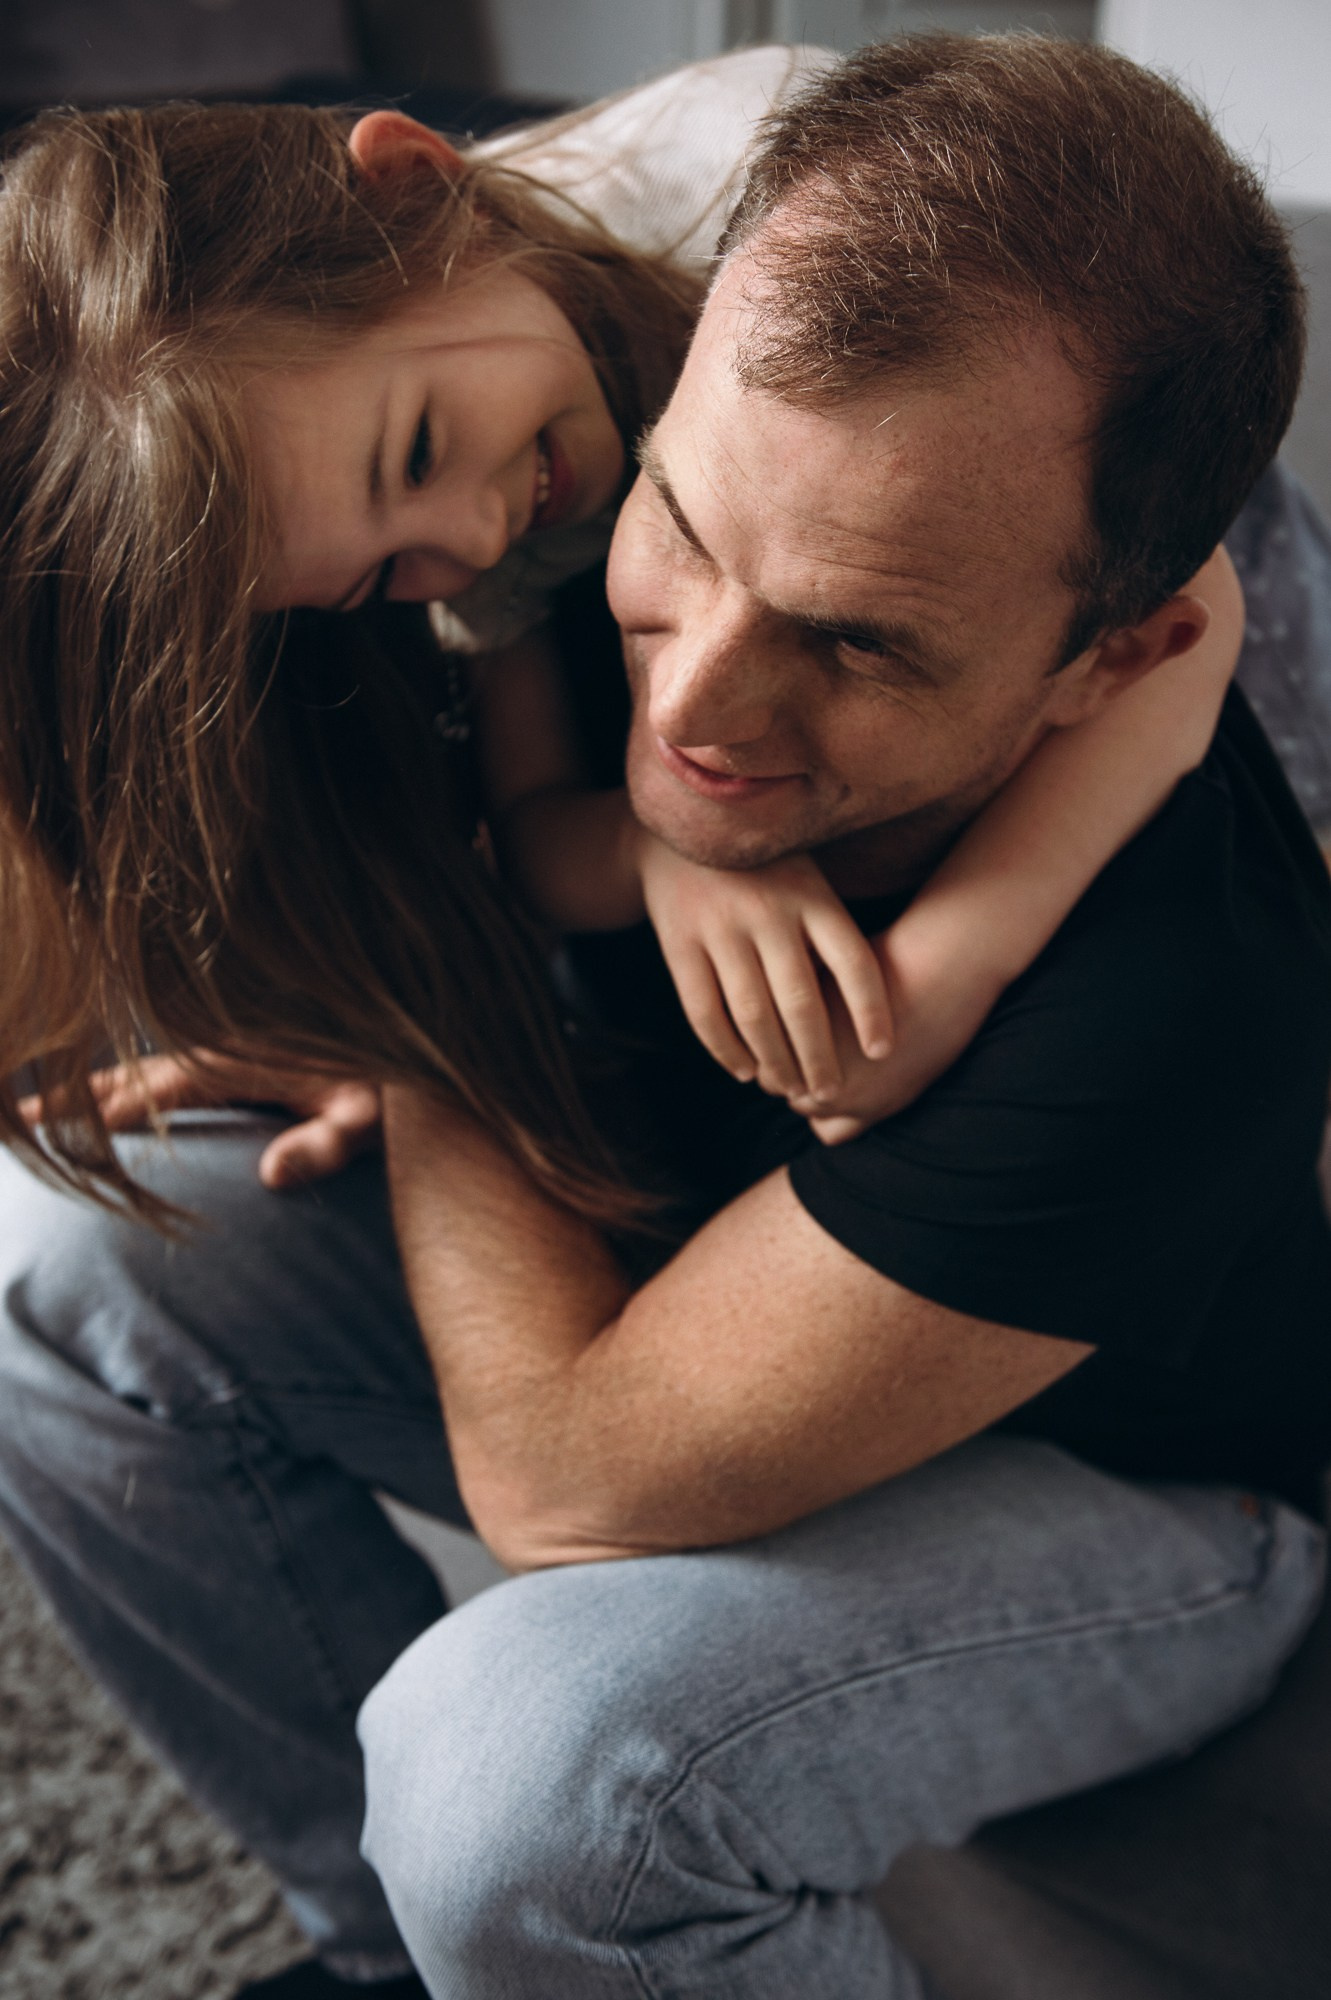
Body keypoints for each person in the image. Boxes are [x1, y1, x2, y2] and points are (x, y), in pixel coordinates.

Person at [0, 33, 1326, 2000]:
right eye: (686, 536)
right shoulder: (549, 473)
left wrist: (435, 1017)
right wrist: (404, 981)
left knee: (524, 1779)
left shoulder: (1174, 991)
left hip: (1150, 1500)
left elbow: (563, 1477)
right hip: (706, 1256)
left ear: (1108, 663)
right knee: (64, 1263)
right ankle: (385, 1964)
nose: (694, 707)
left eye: (852, 639)